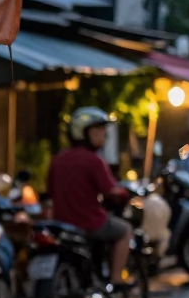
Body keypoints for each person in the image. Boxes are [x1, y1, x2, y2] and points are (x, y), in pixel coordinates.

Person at [47, 107, 131, 288]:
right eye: (98, 131)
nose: (103, 135)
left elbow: (50, 192)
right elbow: (111, 191)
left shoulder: (58, 159)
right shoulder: (94, 161)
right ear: (84, 133)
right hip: (89, 222)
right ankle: (117, 279)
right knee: (125, 230)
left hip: (61, 223)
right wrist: (125, 192)